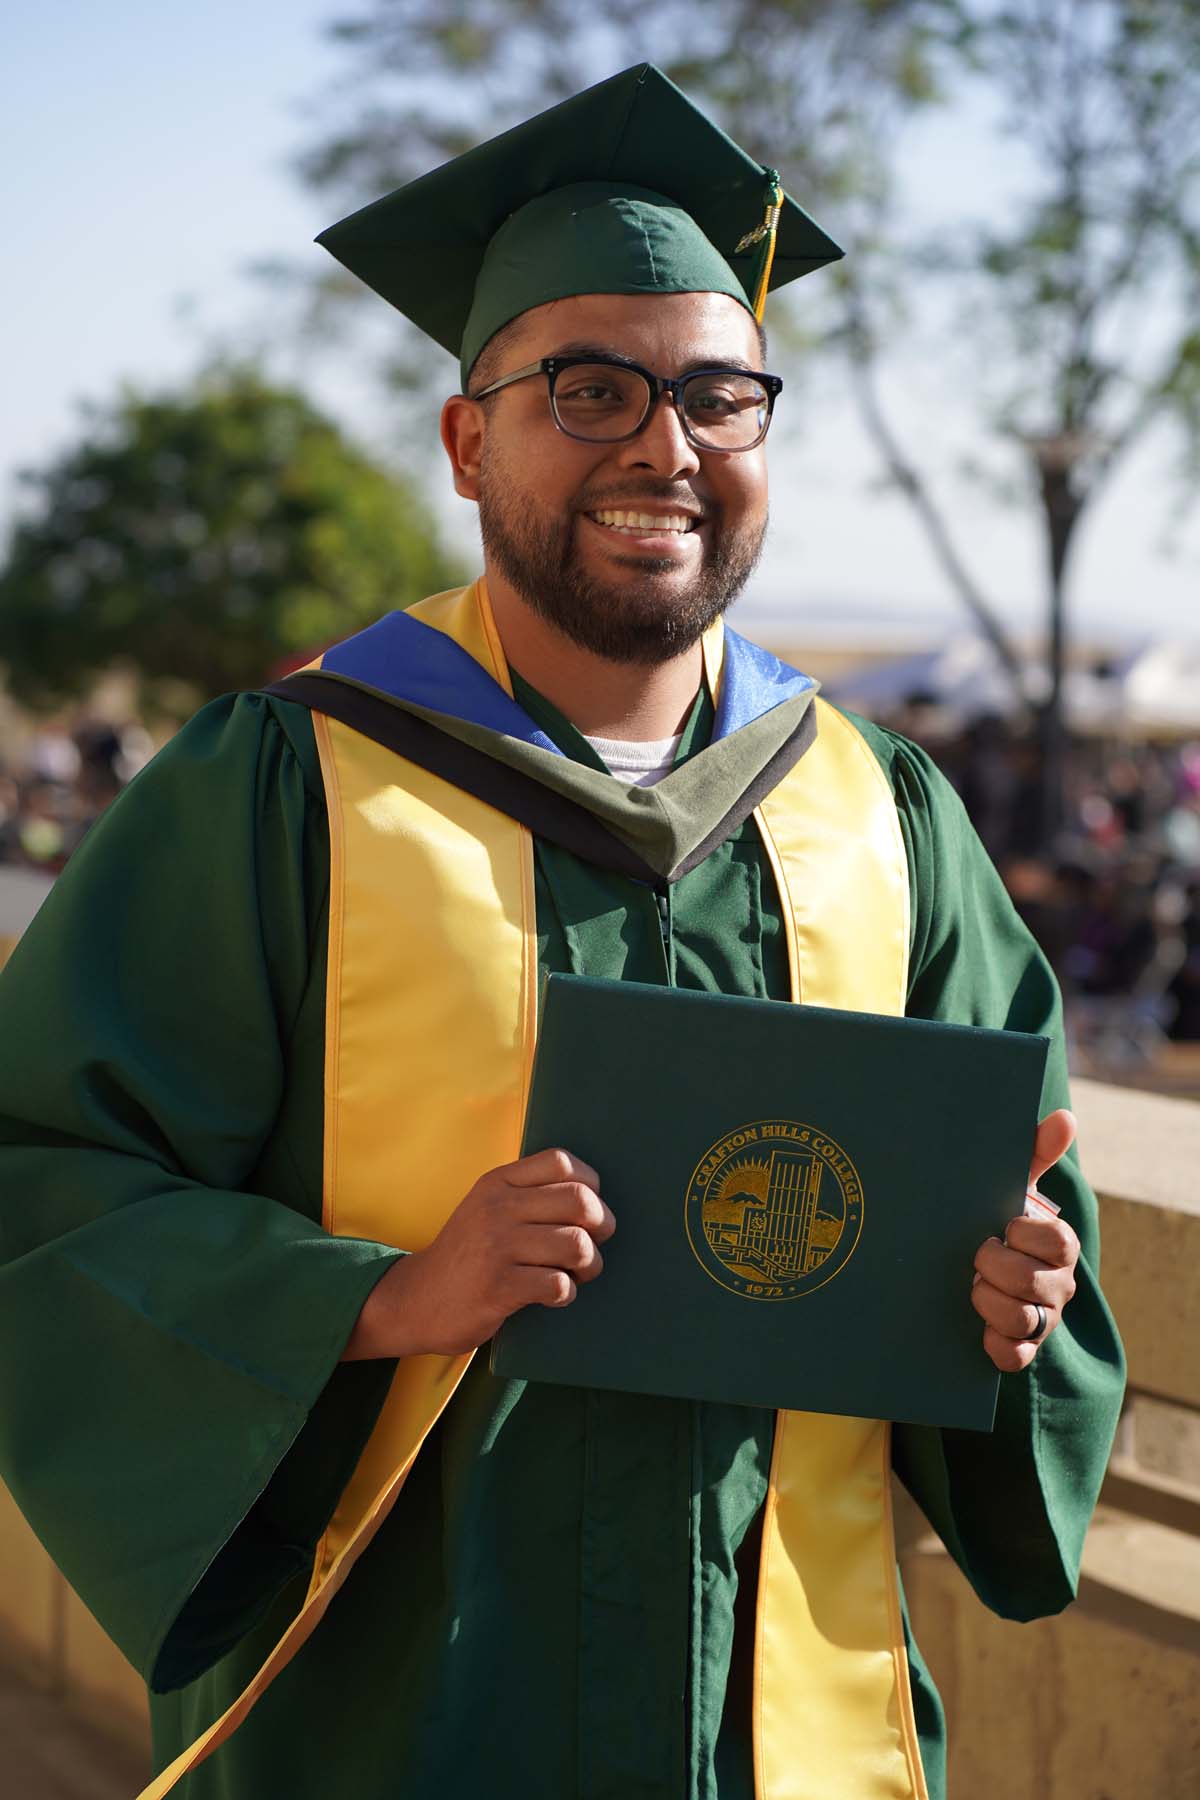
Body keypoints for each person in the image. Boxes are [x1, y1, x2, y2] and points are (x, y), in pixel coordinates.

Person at [0, 65, 1123, 1800]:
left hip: (778, 1728)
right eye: (588, 389)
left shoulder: (881, 812)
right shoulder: (288, 785)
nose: (662, 445)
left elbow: (1024, 1191)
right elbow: (43, 1182)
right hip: (392, 1719)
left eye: (717, 395)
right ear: (469, 440)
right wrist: (376, 1302)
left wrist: (1021, 1291)